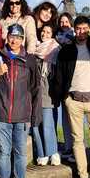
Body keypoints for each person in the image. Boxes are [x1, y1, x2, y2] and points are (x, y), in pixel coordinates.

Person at [51, 16, 90, 178]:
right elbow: (59, 75)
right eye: (78, 29)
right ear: (74, 30)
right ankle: (83, 177)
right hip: (74, 100)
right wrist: (63, 96)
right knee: (77, 140)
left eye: (84, 29)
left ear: (89, 29)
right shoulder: (67, 50)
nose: (81, 32)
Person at [0, 24, 42, 178]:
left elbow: (35, 89)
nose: (14, 41)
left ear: (22, 39)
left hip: (22, 116)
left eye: (18, 37)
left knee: (20, 153)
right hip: (1, 115)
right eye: (12, 36)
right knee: (4, 153)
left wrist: (34, 116)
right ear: (7, 37)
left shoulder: (30, 60)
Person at [30, 24, 61, 166]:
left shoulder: (55, 49)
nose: (44, 34)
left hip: (48, 92)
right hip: (34, 92)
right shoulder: (34, 49)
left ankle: (52, 152)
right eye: (43, 31)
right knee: (35, 123)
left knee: (48, 124)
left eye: (48, 32)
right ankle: (42, 153)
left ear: (52, 34)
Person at [55, 11, 75, 160]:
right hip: (60, 80)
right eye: (61, 22)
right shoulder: (56, 38)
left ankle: (76, 149)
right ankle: (68, 147)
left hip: (72, 81)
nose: (64, 24)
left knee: (74, 118)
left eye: (66, 21)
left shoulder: (74, 38)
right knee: (65, 119)